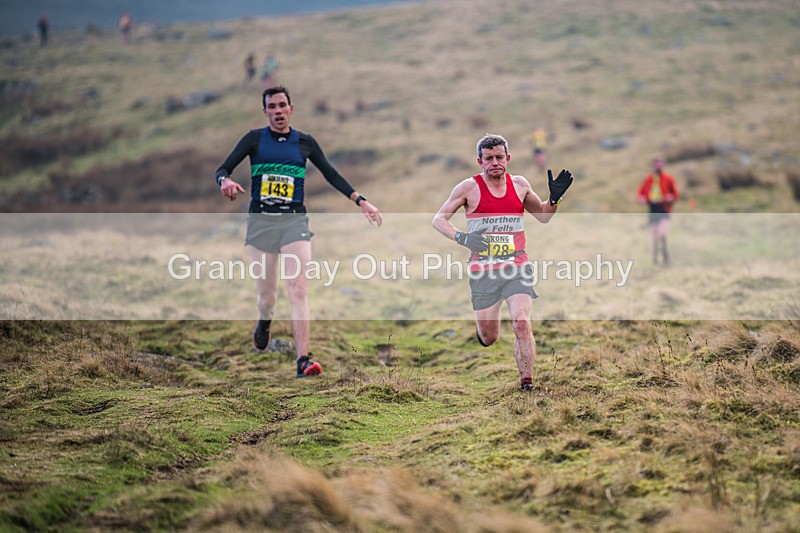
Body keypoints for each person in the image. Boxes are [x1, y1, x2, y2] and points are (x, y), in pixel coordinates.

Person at [214, 86, 382, 378]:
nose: (278, 111)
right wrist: (224, 181)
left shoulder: (304, 142)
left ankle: (303, 360)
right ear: (265, 111)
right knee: (268, 296)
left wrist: (361, 200)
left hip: (294, 223)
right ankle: (265, 319)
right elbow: (222, 168)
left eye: (282, 105)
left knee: (299, 289)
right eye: (272, 107)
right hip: (261, 223)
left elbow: (330, 173)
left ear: (291, 108)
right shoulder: (254, 139)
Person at [432, 134, 573, 392]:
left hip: (517, 264)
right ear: (479, 161)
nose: (494, 162)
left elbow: (542, 216)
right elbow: (439, 220)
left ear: (508, 158)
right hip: (484, 269)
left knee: (521, 321)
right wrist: (463, 238)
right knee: (489, 337)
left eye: (499, 157)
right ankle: (483, 329)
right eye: (488, 159)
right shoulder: (467, 188)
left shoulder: (519, 185)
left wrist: (554, 200)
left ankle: (526, 383)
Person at [636, 154, 679, 265]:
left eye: (660, 164)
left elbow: (675, 195)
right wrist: (642, 199)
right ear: (653, 165)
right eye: (656, 164)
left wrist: (671, 198)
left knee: (662, 233)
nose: (658, 167)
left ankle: (666, 256)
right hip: (653, 208)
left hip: (664, 209)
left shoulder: (668, 179)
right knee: (654, 235)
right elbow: (641, 194)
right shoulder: (648, 180)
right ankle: (655, 258)